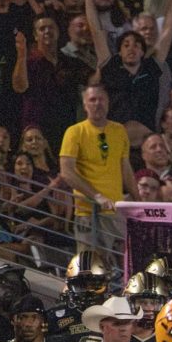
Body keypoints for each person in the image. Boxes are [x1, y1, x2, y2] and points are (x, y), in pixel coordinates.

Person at [59, 84, 136, 253]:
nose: (97, 103)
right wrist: (97, 196)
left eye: (101, 99)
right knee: (91, 268)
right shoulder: (75, 132)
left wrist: (138, 201)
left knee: (121, 263)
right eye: (92, 100)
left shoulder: (119, 130)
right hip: (89, 211)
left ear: (108, 102)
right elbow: (67, 172)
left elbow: (126, 168)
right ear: (85, 105)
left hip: (116, 210)